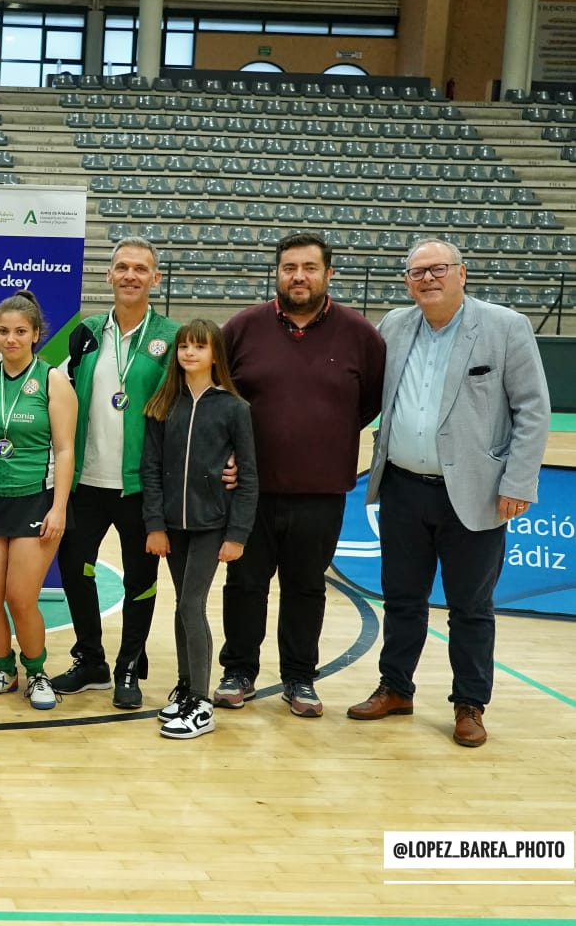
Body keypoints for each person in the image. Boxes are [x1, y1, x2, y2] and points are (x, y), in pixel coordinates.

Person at [348, 239, 550, 748]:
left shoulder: (506, 327)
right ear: (407, 282)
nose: (427, 279)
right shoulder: (394, 325)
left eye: (438, 269)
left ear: (463, 273)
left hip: (477, 493)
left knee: (471, 607)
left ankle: (469, 704)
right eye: (416, 272)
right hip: (402, 488)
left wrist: (519, 482)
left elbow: (532, 409)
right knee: (402, 599)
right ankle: (395, 688)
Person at [217, 232, 386, 718]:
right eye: (290, 267)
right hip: (250, 492)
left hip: (322, 492)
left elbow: (371, 400)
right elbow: (218, 395)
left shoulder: (360, 334)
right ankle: (239, 670)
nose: (299, 276)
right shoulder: (243, 328)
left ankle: (299, 678)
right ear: (277, 272)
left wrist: (325, 436)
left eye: (309, 268)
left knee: (306, 588)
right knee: (245, 583)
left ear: (328, 274)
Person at [53, 237, 181, 708]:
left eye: (140, 269)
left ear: (155, 278)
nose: (130, 275)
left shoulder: (171, 336)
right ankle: (91, 661)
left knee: (139, 580)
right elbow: (60, 394)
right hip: (85, 481)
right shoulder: (86, 332)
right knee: (74, 569)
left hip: (140, 487)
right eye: (122, 267)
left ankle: (129, 665)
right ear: (109, 275)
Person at [140, 320, 258, 739]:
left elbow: (248, 478)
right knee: (182, 607)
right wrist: (155, 524)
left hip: (213, 526)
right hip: (173, 526)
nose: (189, 353)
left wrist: (238, 533)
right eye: (184, 346)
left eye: (199, 347)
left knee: (192, 605)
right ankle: (187, 687)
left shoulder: (234, 408)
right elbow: (150, 470)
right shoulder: (162, 404)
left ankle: (202, 704)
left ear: (215, 355)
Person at [0, 292, 76, 711]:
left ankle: (38, 672)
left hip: (35, 500)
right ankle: (3, 668)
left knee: (20, 597)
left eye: (20, 332)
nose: (11, 339)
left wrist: (58, 507)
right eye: (4, 331)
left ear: (35, 335)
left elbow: (65, 449)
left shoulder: (52, 381)